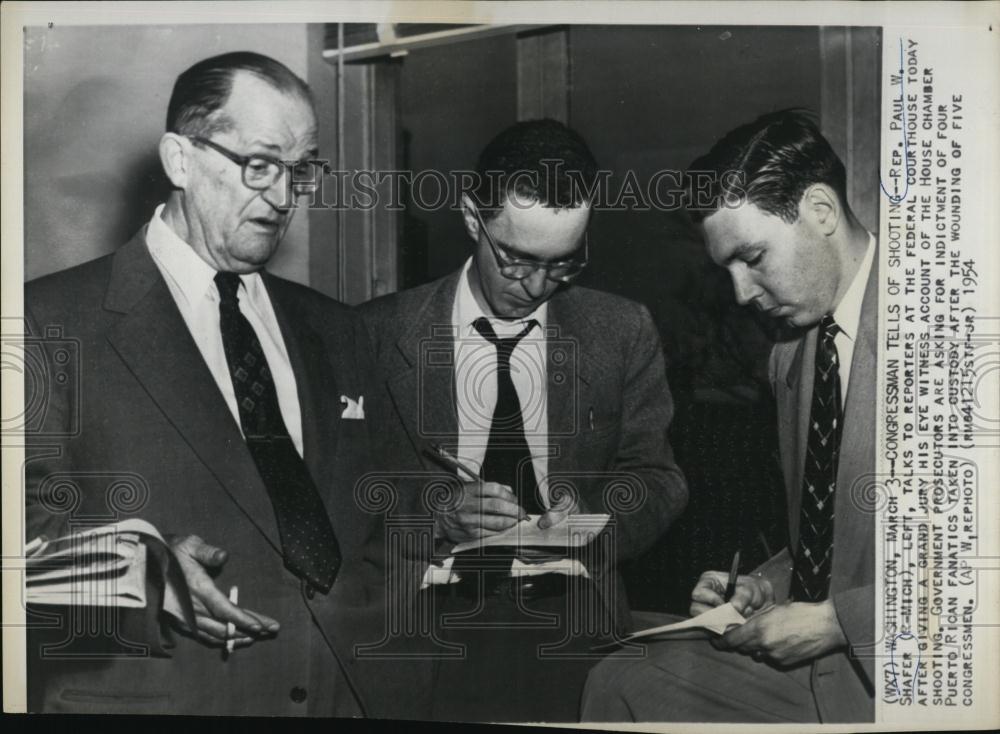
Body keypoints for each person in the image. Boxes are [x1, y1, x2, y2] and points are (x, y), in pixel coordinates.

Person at [24, 52, 386, 716]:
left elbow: (376, 519)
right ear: (179, 161)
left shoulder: (338, 330)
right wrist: (135, 564)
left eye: (299, 170)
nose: (282, 198)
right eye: (258, 164)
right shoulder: (45, 323)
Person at [358, 118, 688, 722]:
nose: (537, 285)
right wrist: (437, 517)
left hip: (572, 626)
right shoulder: (372, 334)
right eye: (516, 259)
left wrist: (589, 518)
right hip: (421, 622)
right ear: (470, 219)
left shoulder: (622, 329)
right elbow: (339, 495)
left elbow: (658, 479)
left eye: (564, 263)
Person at [581, 109, 877, 723]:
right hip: (824, 663)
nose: (742, 293)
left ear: (820, 211)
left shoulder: (954, 325)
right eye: (728, 270)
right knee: (622, 677)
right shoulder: (791, 356)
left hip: (913, 675)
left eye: (754, 257)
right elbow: (828, 543)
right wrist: (764, 587)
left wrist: (839, 621)